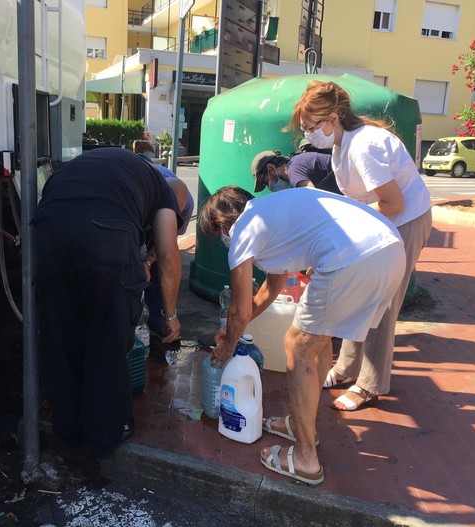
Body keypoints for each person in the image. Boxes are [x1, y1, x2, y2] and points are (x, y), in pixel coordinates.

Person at [199, 185, 405, 485]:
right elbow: (270, 290)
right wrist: (235, 330)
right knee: (318, 343)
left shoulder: (245, 225)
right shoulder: (273, 217)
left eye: (218, 234)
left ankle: (306, 457)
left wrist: (227, 345)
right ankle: (300, 425)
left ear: (222, 222)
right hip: (388, 251)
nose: (222, 241)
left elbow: (238, 308)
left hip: (353, 256)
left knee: (298, 345)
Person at [291, 80, 433, 411]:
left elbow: (393, 203)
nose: (310, 134)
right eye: (306, 128)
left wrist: (347, 230)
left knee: (382, 303)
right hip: (383, 223)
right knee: (360, 295)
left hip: (405, 222)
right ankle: (345, 368)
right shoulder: (342, 144)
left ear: (334, 117)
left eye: (312, 127)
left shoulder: (363, 146)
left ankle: (370, 385)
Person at [34, 148, 182, 459]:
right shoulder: (167, 193)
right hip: (106, 229)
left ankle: (68, 432)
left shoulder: (117, 167)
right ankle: (103, 438)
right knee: (108, 334)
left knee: (60, 332)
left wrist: (139, 257)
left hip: (48, 225)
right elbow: (169, 255)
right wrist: (169, 314)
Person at [136, 154, 194, 344]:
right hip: (136, 210)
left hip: (160, 211)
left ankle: (159, 320)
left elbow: (168, 249)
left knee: (159, 268)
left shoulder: (181, 200)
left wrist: (148, 260)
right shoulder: (138, 186)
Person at [251, 149, 341, 195]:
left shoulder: (294, 172)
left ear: (271, 168)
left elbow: (313, 199)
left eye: (265, 182)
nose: (269, 187)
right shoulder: (297, 162)